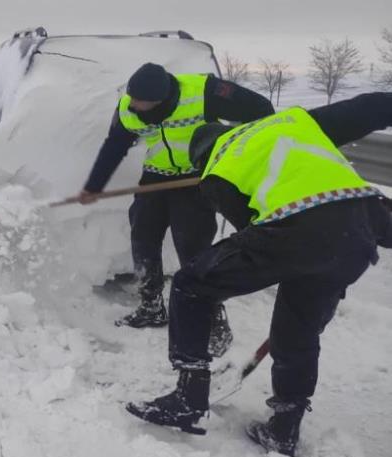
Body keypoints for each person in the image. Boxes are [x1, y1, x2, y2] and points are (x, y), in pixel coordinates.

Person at [126, 92, 392, 456]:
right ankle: (284, 427)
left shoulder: (217, 168)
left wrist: (291, 256)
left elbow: (254, 233)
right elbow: (370, 107)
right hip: (363, 222)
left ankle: (189, 397)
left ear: (202, 157)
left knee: (190, 284)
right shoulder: (291, 122)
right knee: (297, 329)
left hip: (300, 227)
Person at [79, 63, 274, 351]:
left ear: (160, 98)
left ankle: (212, 319)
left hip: (196, 181)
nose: (132, 105)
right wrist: (94, 186)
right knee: (143, 239)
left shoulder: (204, 92)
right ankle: (151, 306)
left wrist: (231, 152)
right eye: (132, 98)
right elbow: (114, 147)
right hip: (155, 178)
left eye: (140, 101)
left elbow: (261, 110)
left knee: (193, 250)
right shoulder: (127, 109)